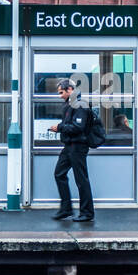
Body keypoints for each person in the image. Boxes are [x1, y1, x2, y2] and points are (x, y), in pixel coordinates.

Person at [48, 78, 94, 222]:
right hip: (69, 146)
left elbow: (78, 127)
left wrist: (59, 127)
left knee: (81, 179)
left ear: (70, 90)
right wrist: (60, 127)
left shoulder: (80, 104)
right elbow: (70, 124)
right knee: (59, 174)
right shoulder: (69, 105)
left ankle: (87, 213)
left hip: (78, 146)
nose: (60, 95)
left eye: (61, 92)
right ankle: (66, 209)